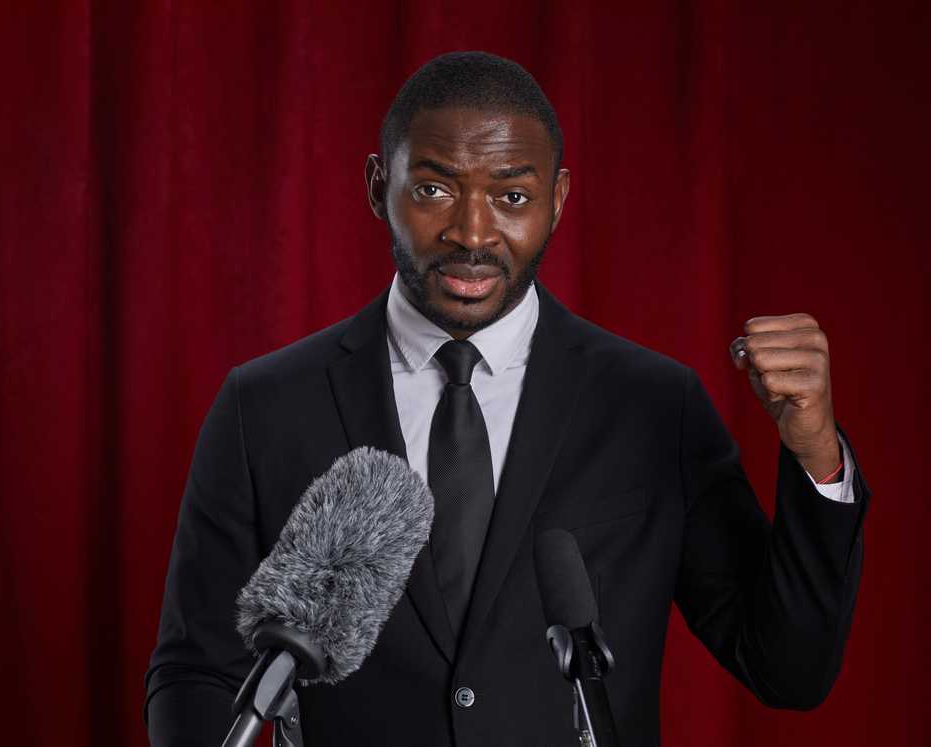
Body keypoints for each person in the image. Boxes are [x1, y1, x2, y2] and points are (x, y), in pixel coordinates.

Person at [144, 51, 868, 746]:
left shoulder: (656, 404)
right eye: (433, 190)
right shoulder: (263, 406)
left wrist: (815, 452)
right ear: (377, 186)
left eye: (512, 196)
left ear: (557, 201)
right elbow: (197, 672)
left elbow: (787, 669)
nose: (472, 232)